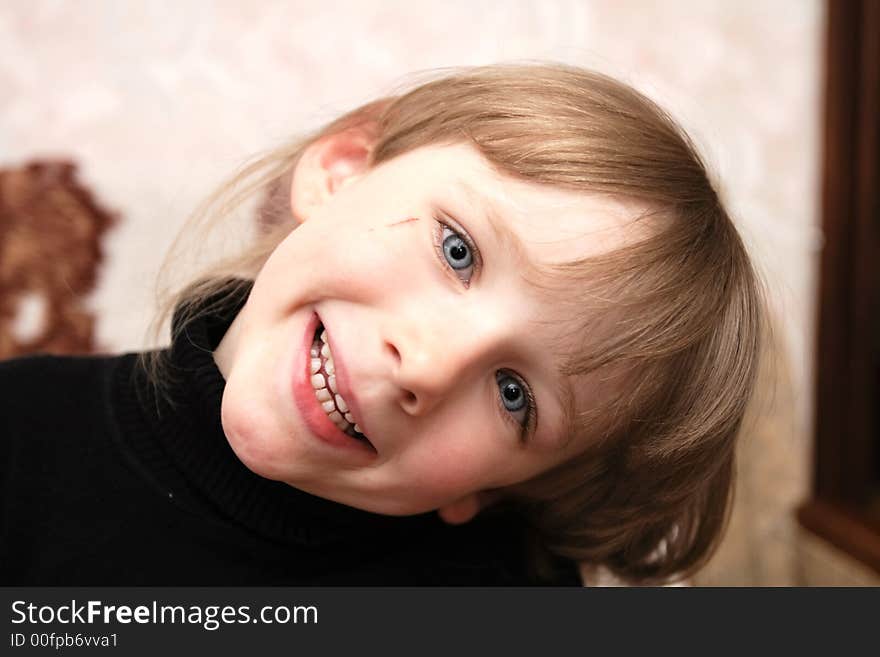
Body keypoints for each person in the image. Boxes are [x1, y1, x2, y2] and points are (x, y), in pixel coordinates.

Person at [0, 62, 767, 586]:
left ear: (496, 491)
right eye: (459, 250)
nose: (428, 365)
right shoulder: (25, 430)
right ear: (343, 170)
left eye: (512, 394)